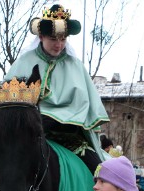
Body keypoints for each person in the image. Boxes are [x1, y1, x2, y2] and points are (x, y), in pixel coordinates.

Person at [6, 4, 109, 173]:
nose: (59, 45)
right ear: (41, 36)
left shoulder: (75, 65)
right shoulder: (23, 62)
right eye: (53, 39)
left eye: (63, 39)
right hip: (28, 135)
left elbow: (83, 106)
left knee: (100, 172)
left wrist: (56, 118)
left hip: (69, 138)